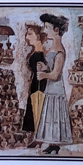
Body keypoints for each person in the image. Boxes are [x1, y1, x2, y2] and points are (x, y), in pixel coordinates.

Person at [34, 14, 73, 155]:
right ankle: (52, 143)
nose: (44, 30)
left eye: (47, 27)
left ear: (56, 30)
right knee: (51, 116)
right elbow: (51, 69)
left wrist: (44, 75)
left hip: (56, 89)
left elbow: (56, 74)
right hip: (50, 88)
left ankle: (55, 144)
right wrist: (44, 68)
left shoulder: (60, 52)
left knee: (54, 115)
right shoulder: (53, 49)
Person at [20, 24, 47, 147]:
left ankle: (39, 137)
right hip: (35, 83)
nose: (27, 37)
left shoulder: (41, 54)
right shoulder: (36, 52)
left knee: (38, 107)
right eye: (27, 34)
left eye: (30, 34)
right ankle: (37, 137)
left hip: (40, 84)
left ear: (38, 36)